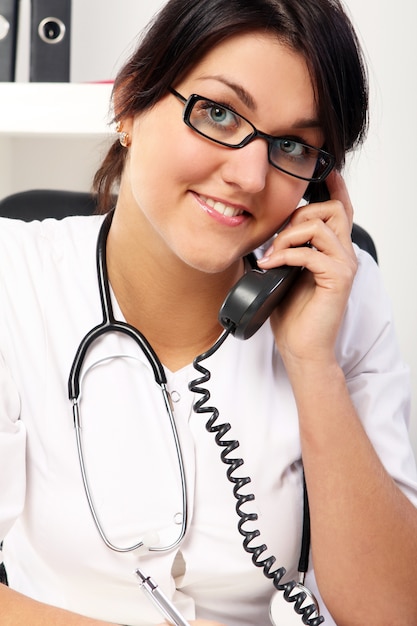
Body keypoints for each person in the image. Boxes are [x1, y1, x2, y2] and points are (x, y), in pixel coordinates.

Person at [1, 0, 417, 624]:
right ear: (130, 104)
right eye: (220, 113)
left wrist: (312, 365)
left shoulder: (343, 298)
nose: (251, 176)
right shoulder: (14, 278)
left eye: (294, 146)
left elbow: (392, 612)